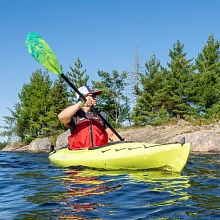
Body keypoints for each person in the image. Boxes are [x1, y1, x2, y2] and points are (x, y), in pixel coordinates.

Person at [58, 85, 122, 150]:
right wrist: (81, 103)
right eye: (93, 95)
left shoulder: (101, 115)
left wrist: (121, 142)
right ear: (84, 97)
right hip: (79, 153)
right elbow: (61, 117)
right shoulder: (74, 115)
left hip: (99, 152)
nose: (96, 98)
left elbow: (112, 135)